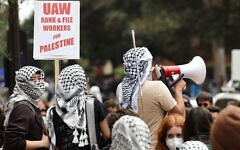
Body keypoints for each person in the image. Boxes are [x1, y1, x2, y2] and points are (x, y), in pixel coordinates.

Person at [116, 47, 186, 148]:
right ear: (146, 66)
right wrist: (178, 90)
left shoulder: (120, 88)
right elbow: (180, 114)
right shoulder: (157, 87)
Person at [46, 64, 111, 150]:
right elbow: (107, 135)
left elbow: (55, 144)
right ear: (82, 81)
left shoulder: (54, 111)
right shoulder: (93, 104)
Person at [3, 66, 50, 150]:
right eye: (32, 79)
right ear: (23, 82)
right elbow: (12, 143)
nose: (38, 82)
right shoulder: (23, 108)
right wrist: (43, 143)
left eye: (39, 78)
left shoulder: (30, 104)